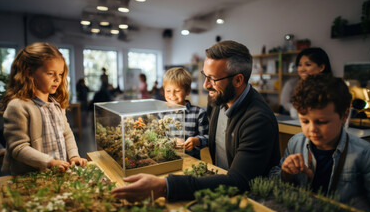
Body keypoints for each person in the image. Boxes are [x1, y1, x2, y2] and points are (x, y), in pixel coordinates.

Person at [111, 40, 280, 202]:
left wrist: (165, 186)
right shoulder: (218, 99)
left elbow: (238, 181)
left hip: (251, 198)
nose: (206, 85)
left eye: (212, 78)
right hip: (218, 186)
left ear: (238, 80)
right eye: (204, 76)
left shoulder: (258, 119)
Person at [270, 74, 370, 212]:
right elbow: (276, 180)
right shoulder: (295, 143)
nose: (312, 129)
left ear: (344, 116)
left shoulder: (364, 153)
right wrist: (286, 173)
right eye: (304, 121)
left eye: (322, 122)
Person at [0, 42, 88, 175]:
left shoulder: (56, 104)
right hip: (31, 177)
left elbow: (67, 134)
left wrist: (74, 156)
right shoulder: (17, 106)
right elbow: (18, 148)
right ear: (30, 73)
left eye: (60, 74)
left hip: (57, 174)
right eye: (51, 73)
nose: (57, 79)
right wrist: (50, 162)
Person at [162, 67, 209, 159]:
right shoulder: (162, 114)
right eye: (168, 91)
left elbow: (208, 137)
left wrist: (197, 141)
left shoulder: (198, 113)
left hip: (191, 160)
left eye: (177, 91)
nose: (172, 95)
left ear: (188, 91)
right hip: (168, 159)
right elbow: (158, 136)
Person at [280, 47, 332, 118]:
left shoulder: (331, 88)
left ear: (321, 67)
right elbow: (284, 102)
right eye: (299, 65)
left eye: (308, 65)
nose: (302, 69)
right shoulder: (299, 86)